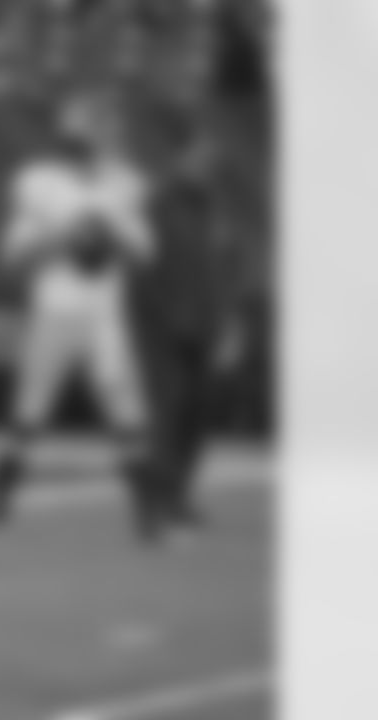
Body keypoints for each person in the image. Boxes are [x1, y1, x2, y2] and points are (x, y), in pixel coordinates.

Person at [0, 90, 155, 532]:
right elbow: (12, 255)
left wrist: (110, 233)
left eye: (103, 126)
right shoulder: (39, 182)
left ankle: (147, 511)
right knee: (28, 410)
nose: (102, 136)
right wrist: (62, 236)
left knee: (127, 413)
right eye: (93, 126)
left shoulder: (125, 184)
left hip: (104, 315)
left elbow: (145, 254)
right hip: (54, 308)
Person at [129, 111, 247, 544]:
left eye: (211, 156)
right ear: (180, 157)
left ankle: (178, 493)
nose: (208, 162)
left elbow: (229, 270)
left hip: (207, 327)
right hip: (163, 329)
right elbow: (139, 270)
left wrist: (231, 324)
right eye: (200, 154)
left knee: (198, 415)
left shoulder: (217, 208)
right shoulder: (156, 204)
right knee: (168, 413)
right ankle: (159, 502)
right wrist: (155, 321)